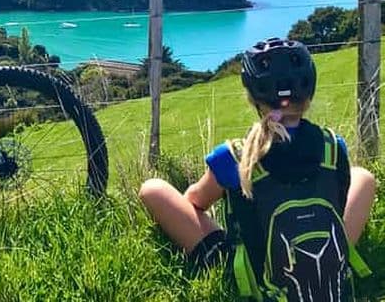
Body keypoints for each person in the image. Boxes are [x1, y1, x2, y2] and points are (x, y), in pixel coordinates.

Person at [138, 37, 377, 300]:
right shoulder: (334, 148)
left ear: (252, 97)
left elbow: (194, 202)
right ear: (309, 92)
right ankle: (326, 265)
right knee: (363, 177)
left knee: (153, 189)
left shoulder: (234, 156)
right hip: (325, 260)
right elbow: (339, 200)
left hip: (258, 279)